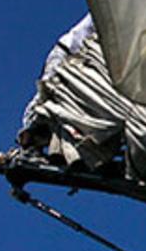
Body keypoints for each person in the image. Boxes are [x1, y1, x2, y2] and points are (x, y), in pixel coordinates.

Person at [18, 13, 96, 150]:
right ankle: (32, 135)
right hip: (69, 55)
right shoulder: (109, 14)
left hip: (79, 61)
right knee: (50, 95)